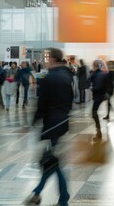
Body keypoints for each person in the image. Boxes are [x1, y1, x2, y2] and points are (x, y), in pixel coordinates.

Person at [24, 48, 73, 206]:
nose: (44, 59)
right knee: (50, 161)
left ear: (52, 58)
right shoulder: (67, 75)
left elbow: (41, 105)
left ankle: (60, 198)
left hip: (51, 124)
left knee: (51, 163)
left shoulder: (48, 77)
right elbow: (73, 98)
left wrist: (34, 122)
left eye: (46, 57)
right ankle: (39, 194)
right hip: (62, 122)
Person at [90, 60, 108, 141]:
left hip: (98, 96)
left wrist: (91, 88)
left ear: (94, 66)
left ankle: (99, 131)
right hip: (100, 96)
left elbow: (98, 87)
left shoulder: (98, 75)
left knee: (94, 113)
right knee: (94, 113)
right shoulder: (100, 73)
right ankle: (98, 131)